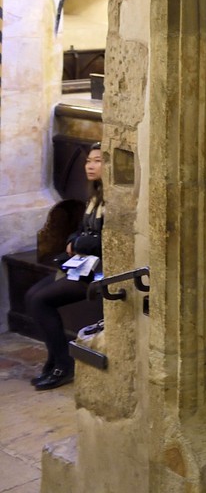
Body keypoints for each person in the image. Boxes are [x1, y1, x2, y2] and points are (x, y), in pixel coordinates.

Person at [25, 143, 104, 391]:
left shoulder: (118, 198)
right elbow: (82, 229)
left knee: (41, 301)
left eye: (98, 161)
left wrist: (80, 242)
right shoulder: (95, 193)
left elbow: (111, 240)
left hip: (102, 272)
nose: (90, 165)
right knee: (32, 296)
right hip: (84, 265)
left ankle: (63, 365)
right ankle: (56, 358)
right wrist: (73, 240)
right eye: (88, 160)